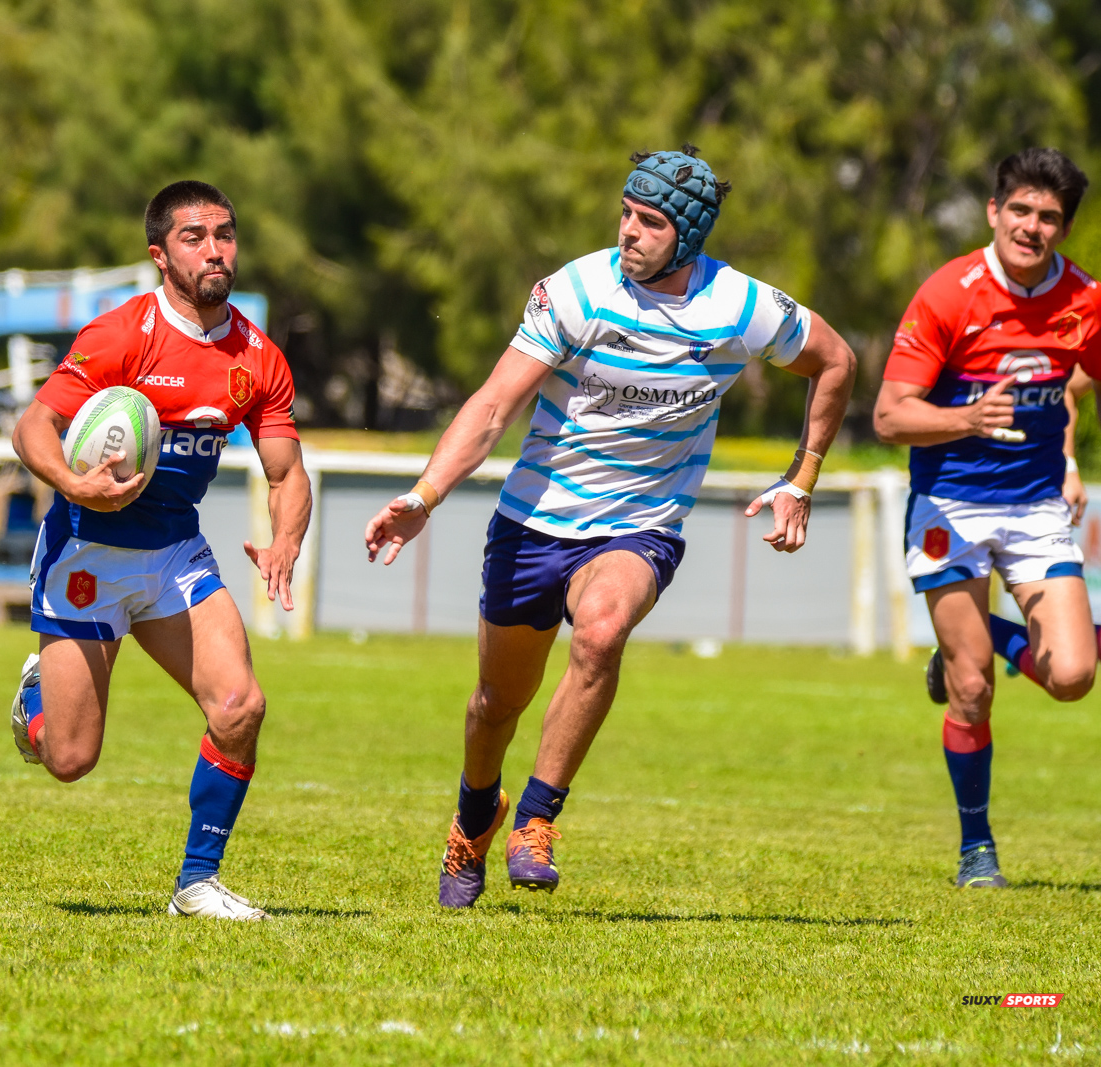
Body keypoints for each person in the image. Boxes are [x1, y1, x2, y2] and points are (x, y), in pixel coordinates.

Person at [364, 146, 855, 909]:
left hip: (642, 525)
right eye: (625, 213)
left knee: (600, 630)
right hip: (534, 524)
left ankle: (535, 821)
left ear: (687, 235)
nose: (629, 231)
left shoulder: (740, 306)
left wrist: (802, 476)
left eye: (650, 221)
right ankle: (474, 815)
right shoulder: (578, 290)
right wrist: (424, 497)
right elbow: (495, 404)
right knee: (496, 703)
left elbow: (837, 361)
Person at [7, 181, 311, 921]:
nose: (215, 249)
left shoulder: (257, 357)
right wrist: (74, 485)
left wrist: (286, 539)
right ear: (159, 255)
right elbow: (32, 429)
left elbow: (287, 471)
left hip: (177, 553)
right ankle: (36, 701)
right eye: (195, 236)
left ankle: (196, 883)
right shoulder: (120, 337)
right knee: (71, 760)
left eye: (226, 234)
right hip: (88, 554)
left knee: (240, 705)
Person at [873, 147, 1101, 889]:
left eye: (1050, 218)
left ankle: (971, 640)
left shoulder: (1084, 300)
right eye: (1023, 211)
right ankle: (977, 848)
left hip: (1034, 507)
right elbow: (889, 417)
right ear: (995, 212)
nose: (1033, 227)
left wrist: (1066, 458)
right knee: (973, 689)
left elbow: (1077, 385)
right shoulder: (948, 294)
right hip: (949, 506)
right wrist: (968, 418)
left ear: (1063, 229)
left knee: (1072, 675)